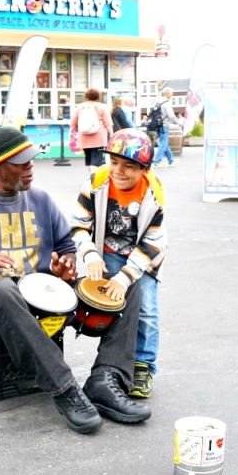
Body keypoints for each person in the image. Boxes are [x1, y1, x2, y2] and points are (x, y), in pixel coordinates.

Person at [0, 126, 151, 434]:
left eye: (32, 160)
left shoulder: (40, 199)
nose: (31, 167)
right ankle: (66, 390)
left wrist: (64, 267)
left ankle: (105, 381)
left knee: (124, 282)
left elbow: (66, 246)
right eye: (23, 162)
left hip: (47, 299)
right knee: (3, 288)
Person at [69, 129, 167, 398]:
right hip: (105, 250)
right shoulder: (96, 181)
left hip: (144, 256)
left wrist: (125, 277)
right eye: (114, 162)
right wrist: (89, 253)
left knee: (146, 309)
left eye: (129, 166)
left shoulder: (154, 195)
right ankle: (116, 366)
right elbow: (77, 224)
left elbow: (152, 243)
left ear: (144, 169)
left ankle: (143, 366)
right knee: (111, 307)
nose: (119, 171)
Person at [71, 88, 113, 174]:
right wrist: (112, 134)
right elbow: (108, 122)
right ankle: (93, 179)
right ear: (98, 96)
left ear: (86, 96)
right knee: (96, 158)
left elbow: (73, 121)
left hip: (84, 135)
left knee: (88, 157)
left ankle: (90, 176)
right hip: (99, 136)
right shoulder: (101, 107)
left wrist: (71, 132)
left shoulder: (80, 106)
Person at [155, 87, 177, 167]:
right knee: (163, 143)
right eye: (171, 93)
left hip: (158, 125)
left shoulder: (158, 102)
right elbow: (171, 115)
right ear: (168, 94)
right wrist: (178, 122)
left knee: (164, 143)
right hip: (164, 125)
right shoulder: (166, 103)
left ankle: (171, 160)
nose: (172, 95)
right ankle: (157, 161)